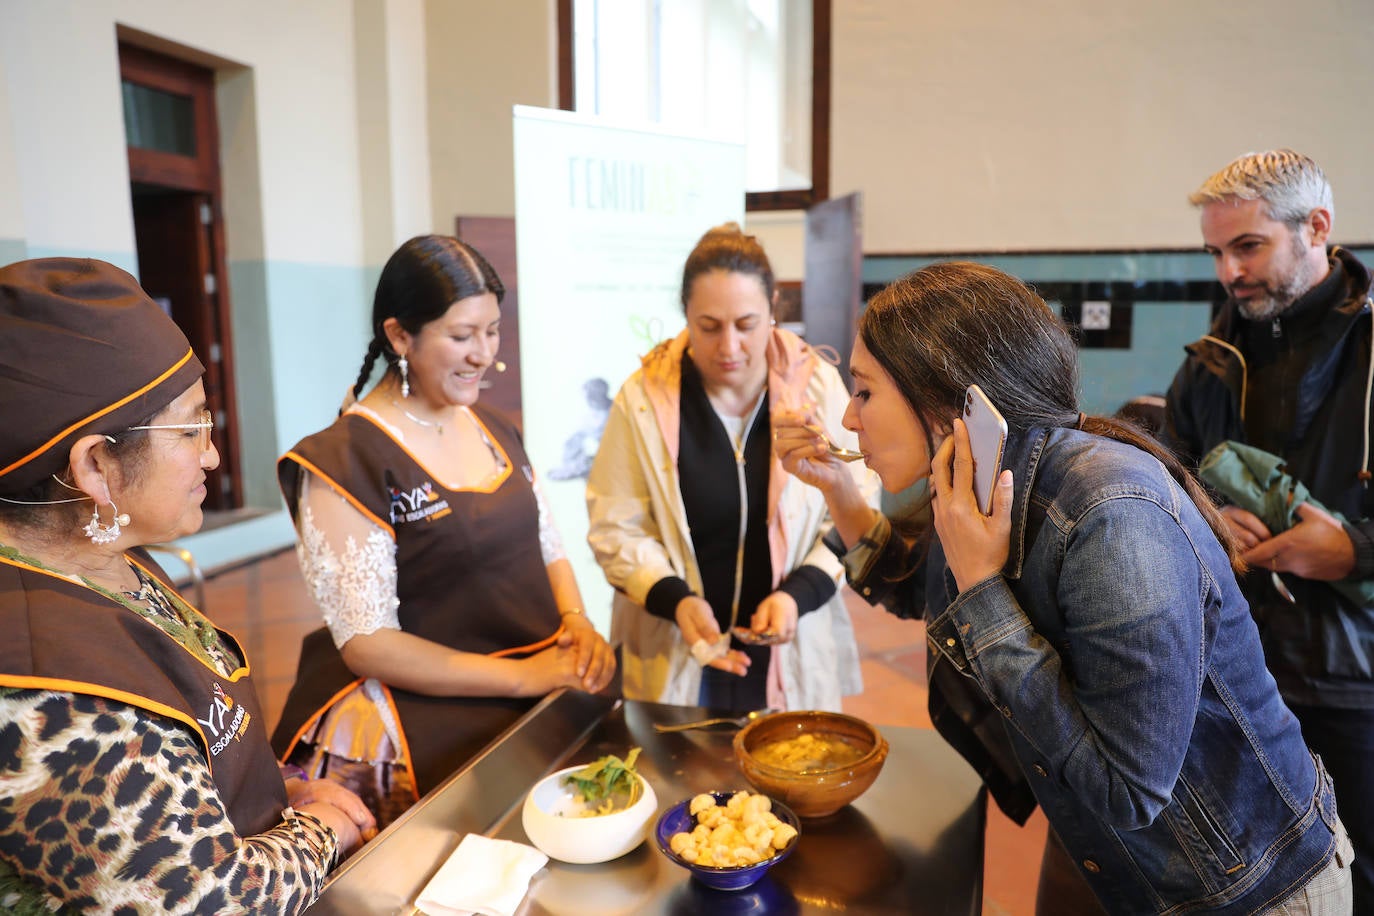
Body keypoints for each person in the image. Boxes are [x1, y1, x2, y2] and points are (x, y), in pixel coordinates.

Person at [774, 260, 1353, 914]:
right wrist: (838, 489)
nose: (849, 421)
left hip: (1244, 888)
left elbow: (1130, 791)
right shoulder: (980, 477)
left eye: (864, 392)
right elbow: (926, 595)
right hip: (1120, 863)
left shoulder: (1113, 517)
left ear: (942, 397)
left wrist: (985, 587)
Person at [0, 258, 374, 913]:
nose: (212, 454)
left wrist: (282, 790)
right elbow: (209, 900)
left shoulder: (104, 555)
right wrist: (323, 830)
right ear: (95, 465)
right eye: (190, 429)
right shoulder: (45, 685)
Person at [271, 235, 615, 827]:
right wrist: (525, 676)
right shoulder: (344, 460)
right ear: (400, 335)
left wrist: (577, 624)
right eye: (462, 336)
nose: (485, 355)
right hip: (423, 718)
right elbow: (369, 642)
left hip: (535, 691)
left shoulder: (492, 425)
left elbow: (546, 542)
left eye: (493, 331)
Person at [1163, 149, 1373, 913]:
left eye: (1247, 246)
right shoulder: (1209, 363)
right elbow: (1174, 481)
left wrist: (1357, 549)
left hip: (1358, 680)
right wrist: (1207, 518)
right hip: (1242, 671)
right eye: (1216, 252)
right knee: (1262, 876)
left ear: (1317, 227)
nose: (1228, 272)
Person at [586, 223, 878, 714]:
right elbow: (617, 525)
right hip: (677, 643)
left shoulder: (818, 390)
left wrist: (799, 595)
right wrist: (673, 599)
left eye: (746, 325)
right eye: (708, 326)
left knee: (786, 773)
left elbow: (857, 508)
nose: (728, 347)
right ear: (685, 316)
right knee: (682, 777)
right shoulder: (643, 400)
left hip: (790, 641)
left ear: (774, 312)